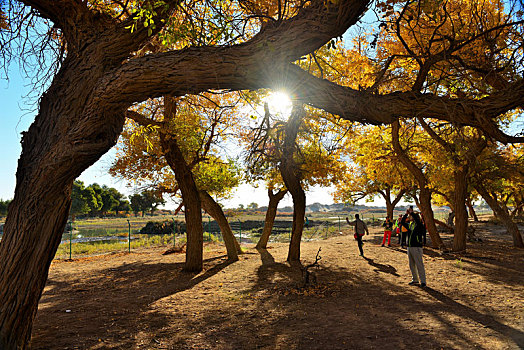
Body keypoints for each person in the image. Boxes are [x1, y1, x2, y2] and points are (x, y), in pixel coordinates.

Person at [400, 208, 427, 287]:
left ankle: (423, 281)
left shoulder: (419, 225)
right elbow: (402, 222)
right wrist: (406, 214)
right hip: (410, 247)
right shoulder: (410, 225)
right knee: (412, 265)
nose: (410, 217)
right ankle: (415, 279)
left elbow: (418, 221)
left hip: (417, 247)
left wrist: (412, 213)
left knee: (419, 264)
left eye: (411, 216)